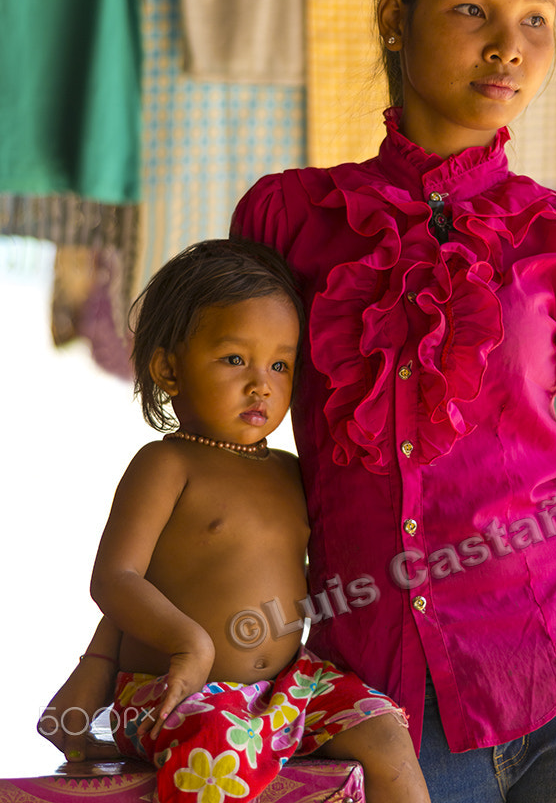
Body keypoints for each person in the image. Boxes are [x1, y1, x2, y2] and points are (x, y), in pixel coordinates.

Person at [41, 0, 556, 802]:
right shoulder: (286, 218)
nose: (508, 45)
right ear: (395, 19)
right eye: (472, 10)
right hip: (376, 711)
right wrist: (106, 652)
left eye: (536, 20)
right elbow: (218, 469)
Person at [59, 239, 430, 803]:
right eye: (235, 359)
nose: (262, 383)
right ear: (168, 368)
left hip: (289, 687)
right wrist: (188, 644)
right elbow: (116, 579)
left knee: (385, 730)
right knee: (217, 753)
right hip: (181, 690)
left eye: (280, 364)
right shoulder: (166, 463)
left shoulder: (290, 471)